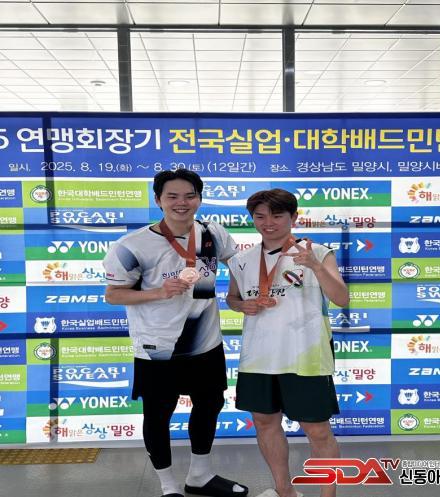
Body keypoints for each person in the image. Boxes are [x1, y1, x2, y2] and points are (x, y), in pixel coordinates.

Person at [103, 169, 248, 497]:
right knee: (158, 414)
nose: (182, 203)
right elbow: (113, 295)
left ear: (199, 198)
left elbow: (239, 265)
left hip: (206, 342)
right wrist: (159, 292)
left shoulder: (212, 233)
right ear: (158, 200)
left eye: (189, 195)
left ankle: (200, 475)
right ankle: (168, 485)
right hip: (157, 346)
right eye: (172, 196)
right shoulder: (132, 245)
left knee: (209, 404)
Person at [226, 189, 349, 497]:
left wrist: (315, 267)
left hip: (305, 357)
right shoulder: (241, 260)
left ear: (294, 217)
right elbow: (232, 298)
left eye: (277, 216)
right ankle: (285, 491)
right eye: (260, 216)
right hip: (258, 357)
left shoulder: (317, 252)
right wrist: (241, 306)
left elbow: (342, 298)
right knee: (264, 422)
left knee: (317, 430)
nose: (268, 223)